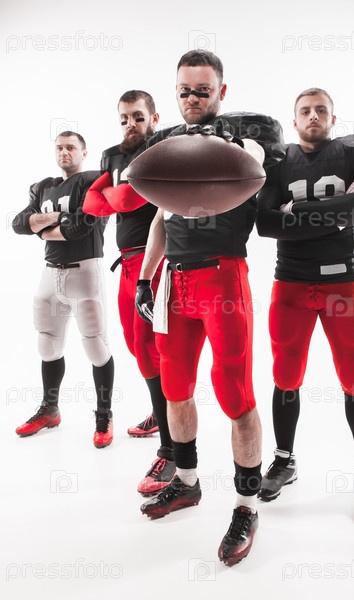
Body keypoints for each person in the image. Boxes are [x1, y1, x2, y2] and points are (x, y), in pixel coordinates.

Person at [133, 50, 285, 566]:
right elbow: (161, 216)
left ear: (222, 90)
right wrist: (147, 277)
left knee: (235, 395)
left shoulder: (249, 131)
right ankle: (187, 481)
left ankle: (246, 507)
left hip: (222, 274)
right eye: (184, 90)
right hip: (175, 279)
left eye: (203, 89)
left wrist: (224, 142)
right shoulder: (168, 143)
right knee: (175, 388)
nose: (192, 98)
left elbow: (256, 160)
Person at [256, 88, 354, 522]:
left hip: (342, 286)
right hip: (291, 285)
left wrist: (296, 212)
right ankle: (285, 460)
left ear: (333, 117)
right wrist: (337, 211)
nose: (313, 116)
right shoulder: (279, 161)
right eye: (305, 111)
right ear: (293, 120)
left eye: (321, 110)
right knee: (285, 376)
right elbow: (266, 223)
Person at [83, 90, 176, 495]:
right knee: (136, 347)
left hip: (154, 262)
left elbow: (124, 197)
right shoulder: (112, 155)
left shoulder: (162, 148)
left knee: (153, 348)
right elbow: (92, 203)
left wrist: (113, 197)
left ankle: (171, 449)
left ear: (154, 117)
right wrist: (114, 197)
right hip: (124, 263)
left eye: (138, 117)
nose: (130, 125)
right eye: (123, 118)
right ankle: (161, 411)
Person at [13, 131, 114, 448]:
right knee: (47, 344)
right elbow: (19, 224)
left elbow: (80, 226)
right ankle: (50, 409)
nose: (64, 152)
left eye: (71, 147)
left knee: (96, 346)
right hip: (49, 273)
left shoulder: (93, 181)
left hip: (84, 271)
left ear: (84, 152)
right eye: (59, 147)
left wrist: (42, 226)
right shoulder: (43, 186)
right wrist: (59, 218)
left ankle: (104, 415)